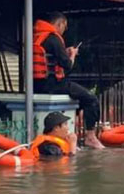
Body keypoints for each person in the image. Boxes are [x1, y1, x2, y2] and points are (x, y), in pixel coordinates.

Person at [32, 11, 104, 149]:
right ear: (60, 24)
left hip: (36, 84)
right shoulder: (54, 38)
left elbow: (50, 56)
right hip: (53, 85)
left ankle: (73, 130)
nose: (64, 31)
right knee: (91, 99)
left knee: (80, 100)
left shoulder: (36, 36)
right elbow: (67, 66)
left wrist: (64, 51)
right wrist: (72, 55)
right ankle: (90, 137)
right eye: (64, 27)